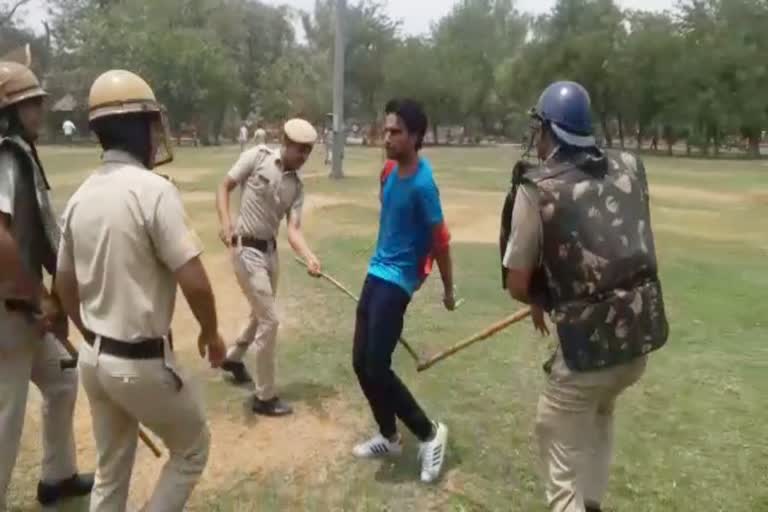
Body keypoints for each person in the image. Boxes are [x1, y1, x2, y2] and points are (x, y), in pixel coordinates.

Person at [55, 69, 226, 511]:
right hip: (139, 361)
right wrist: (211, 333)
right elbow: (194, 281)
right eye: (152, 124)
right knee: (191, 450)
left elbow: (63, 285)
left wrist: (92, 335)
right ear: (140, 127)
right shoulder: (154, 191)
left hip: (95, 360)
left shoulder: (79, 196)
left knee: (111, 473)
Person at [502, 81, 669, 512]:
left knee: (555, 432)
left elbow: (518, 283)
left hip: (587, 351)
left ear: (548, 131)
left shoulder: (536, 189)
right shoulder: (630, 166)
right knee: (599, 413)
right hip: (637, 339)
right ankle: (593, 503)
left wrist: (544, 295)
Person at [0, 60, 94, 510]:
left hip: (24, 310)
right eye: (28, 103)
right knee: (5, 418)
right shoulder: (3, 156)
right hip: (8, 311)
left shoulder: (19, 152)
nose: (39, 109)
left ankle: (56, 477)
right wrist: (38, 296)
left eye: (37, 101)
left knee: (61, 380)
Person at [351, 99, 455, 484]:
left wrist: (446, 289)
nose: (387, 137)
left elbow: (441, 242)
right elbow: (390, 219)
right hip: (376, 272)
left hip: (398, 282)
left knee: (377, 365)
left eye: (395, 132)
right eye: (387, 130)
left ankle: (428, 433)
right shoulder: (388, 171)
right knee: (360, 362)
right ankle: (389, 436)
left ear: (415, 136)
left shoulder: (424, 185)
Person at [216, 118, 321, 417]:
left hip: (270, 255)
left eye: (307, 152)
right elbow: (224, 187)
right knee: (270, 321)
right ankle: (264, 396)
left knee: (260, 313)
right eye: (299, 150)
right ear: (285, 143)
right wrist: (225, 223)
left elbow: (294, 231)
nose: (302, 157)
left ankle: (234, 358)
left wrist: (310, 257)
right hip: (245, 249)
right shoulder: (257, 157)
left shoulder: (296, 187)